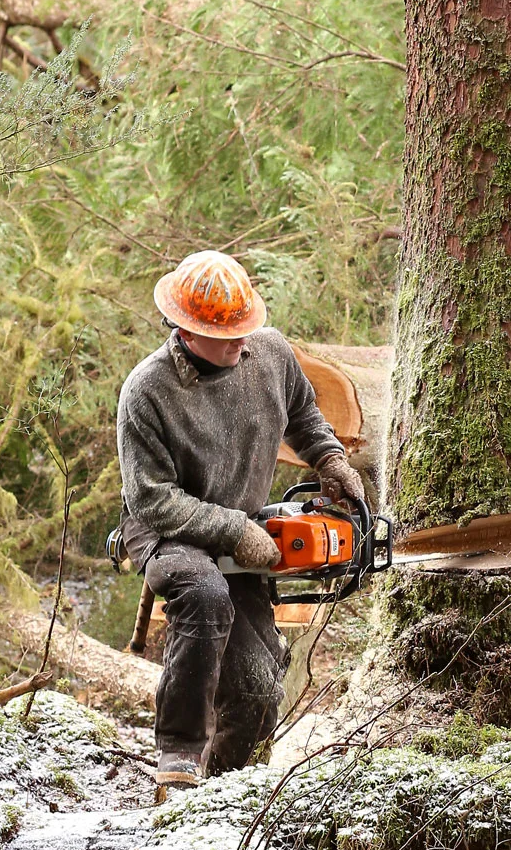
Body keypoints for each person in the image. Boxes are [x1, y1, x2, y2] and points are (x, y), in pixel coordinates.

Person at [116, 249, 365, 792]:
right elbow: (152, 498)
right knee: (205, 595)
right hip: (166, 527)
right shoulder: (147, 390)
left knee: (258, 681)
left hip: (241, 521)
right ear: (185, 330)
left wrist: (329, 459)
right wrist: (232, 530)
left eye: (244, 329)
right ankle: (178, 758)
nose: (240, 342)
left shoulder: (269, 352)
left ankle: (232, 787)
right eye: (226, 335)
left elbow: (303, 412)